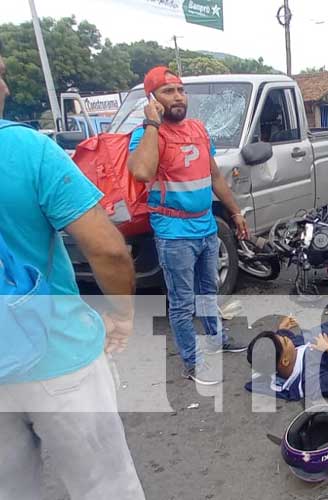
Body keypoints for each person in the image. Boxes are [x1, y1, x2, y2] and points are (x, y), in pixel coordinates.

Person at [0, 49, 145, 499]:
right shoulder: (27, 148)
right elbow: (107, 249)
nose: (6, 88)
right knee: (104, 488)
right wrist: (122, 315)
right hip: (56, 356)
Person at [127, 66, 250, 385]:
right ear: (151, 98)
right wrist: (152, 123)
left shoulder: (198, 129)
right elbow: (141, 172)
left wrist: (235, 212)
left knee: (208, 292)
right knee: (182, 302)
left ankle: (217, 339)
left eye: (180, 90)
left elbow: (215, 177)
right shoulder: (146, 135)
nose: (178, 97)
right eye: (168, 91)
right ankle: (192, 362)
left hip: (206, 228)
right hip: (174, 233)